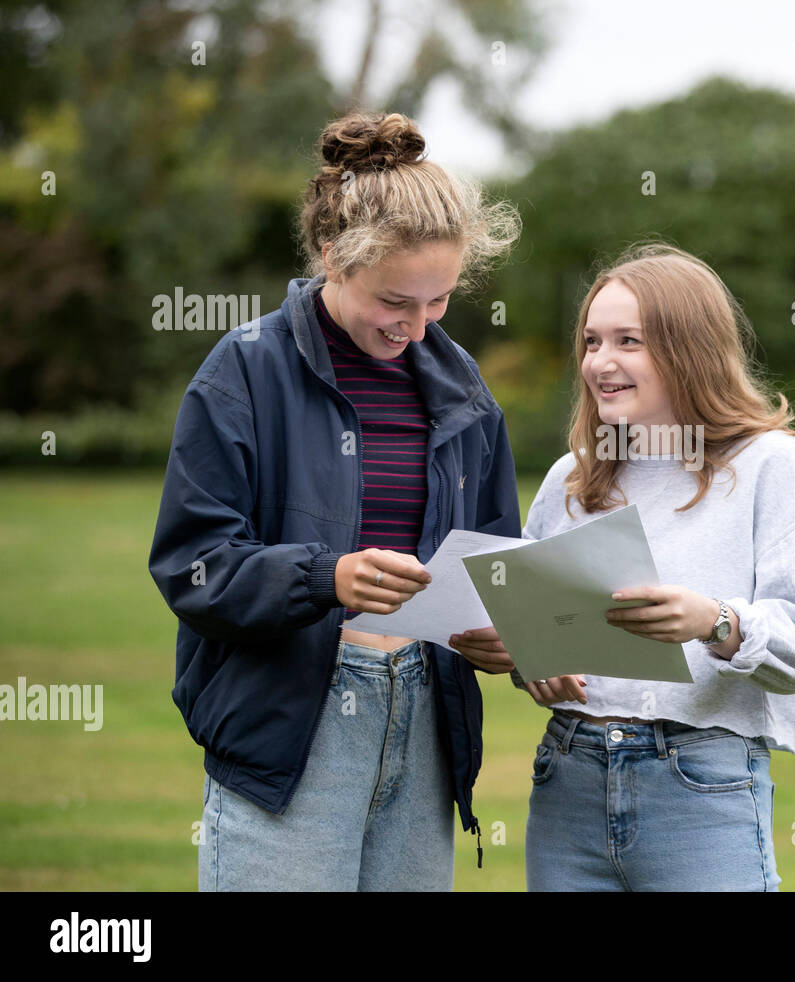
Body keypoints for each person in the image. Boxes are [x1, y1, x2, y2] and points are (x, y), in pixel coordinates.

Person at [148, 111, 521, 891]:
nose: (418, 329)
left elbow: (496, 561)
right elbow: (192, 568)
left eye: (440, 301)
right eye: (396, 301)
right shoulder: (243, 371)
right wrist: (327, 580)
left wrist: (499, 635)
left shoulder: (467, 396)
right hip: (290, 728)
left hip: (426, 727)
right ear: (330, 256)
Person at [449, 243, 795, 891]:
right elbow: (543, 625)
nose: (600, 362)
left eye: (628, 341)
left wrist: (714, 621)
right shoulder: (572, 479)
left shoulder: (770, 465)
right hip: (567, 778)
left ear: (687, 348)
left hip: (698, 787)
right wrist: (527, 659)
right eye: (591, 341)